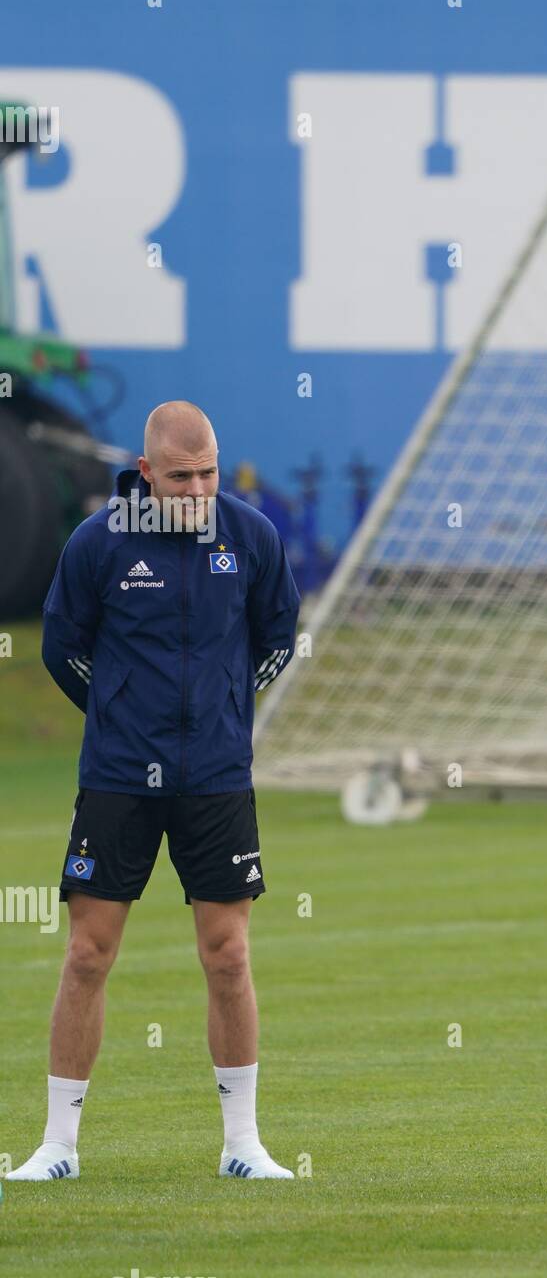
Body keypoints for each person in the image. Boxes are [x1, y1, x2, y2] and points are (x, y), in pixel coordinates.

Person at [7, 400, 301, 1182]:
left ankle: (243, 1145)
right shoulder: (97, 542)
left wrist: (228, 715)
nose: (197, 488)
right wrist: (117, 719)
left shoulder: (251, 538)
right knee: (87, 954)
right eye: (180, 476)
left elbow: (277, 638)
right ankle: (58, 1148)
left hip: (215, 780)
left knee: (229, 955)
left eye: (208, 472)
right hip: (117, 781)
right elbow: (64, 648)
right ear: (146, 473)